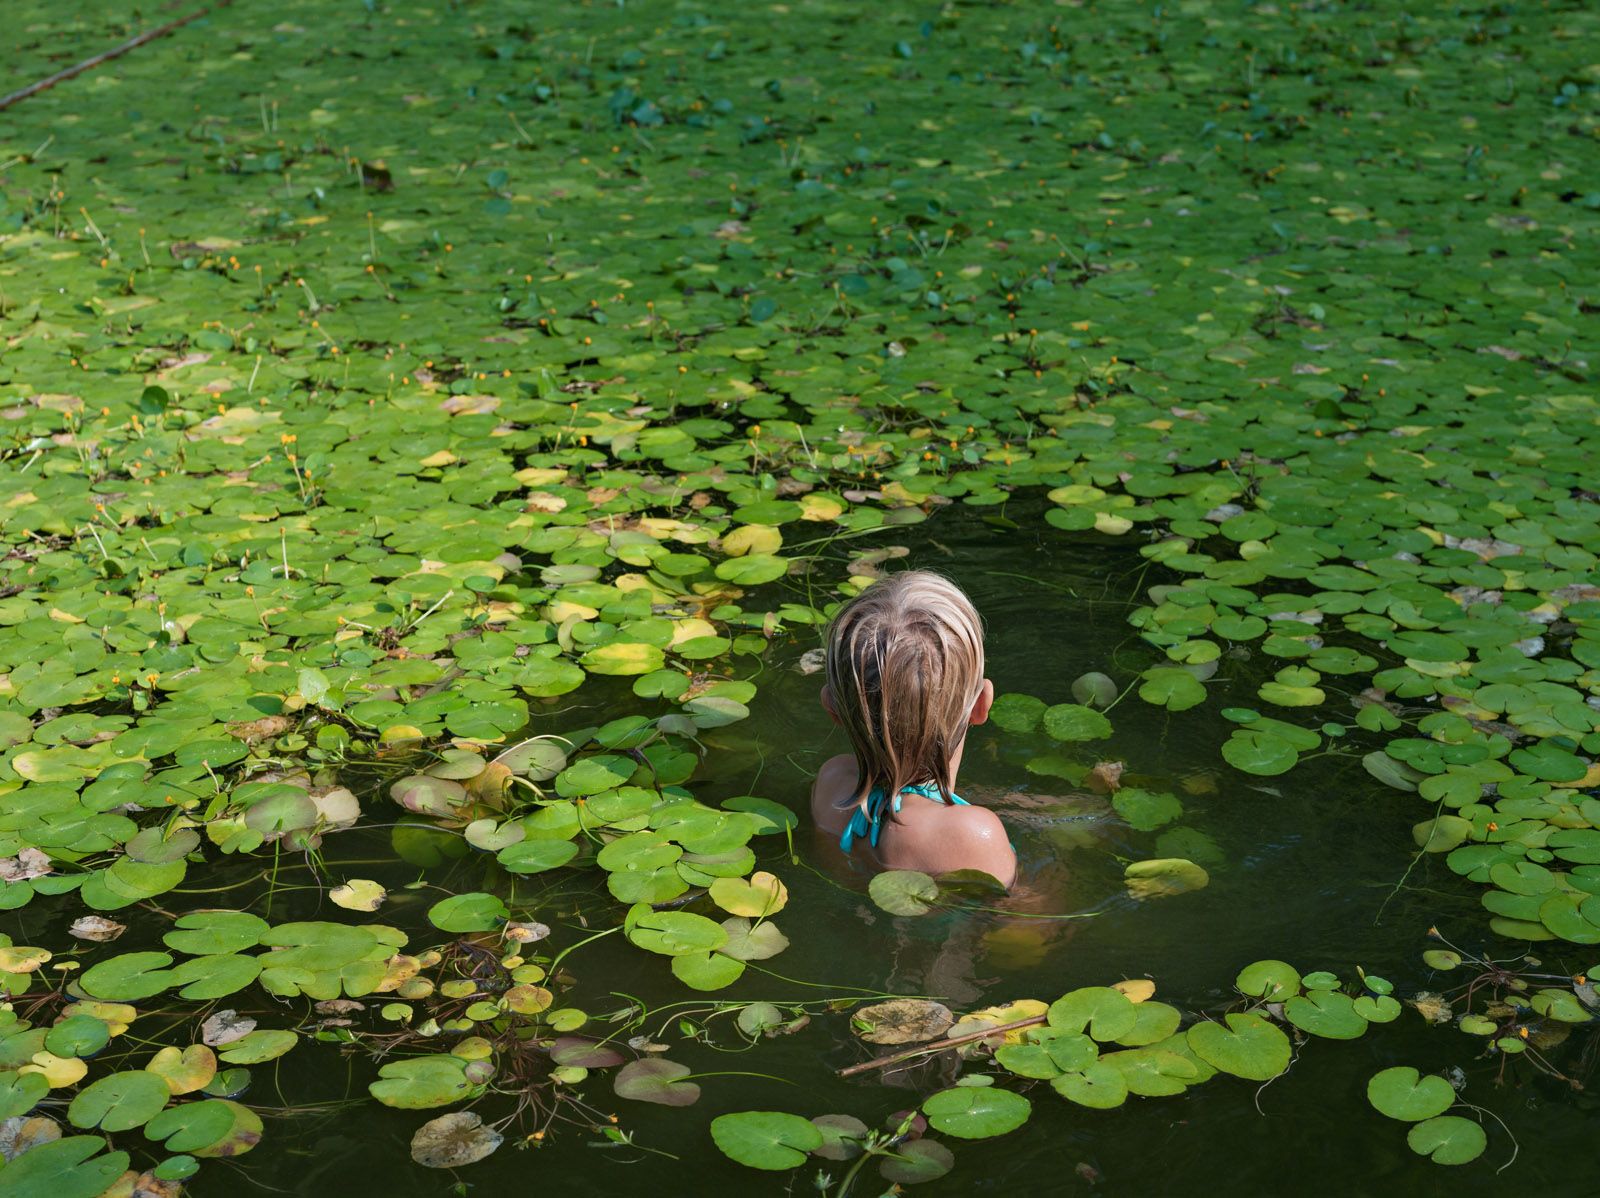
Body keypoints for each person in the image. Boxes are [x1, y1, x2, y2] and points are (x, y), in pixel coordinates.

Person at [810, 570, 1018, 888]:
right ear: (982, 706)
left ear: (832, 708)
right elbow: (1023, 924)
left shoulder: (831, 783)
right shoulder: (974, 833)